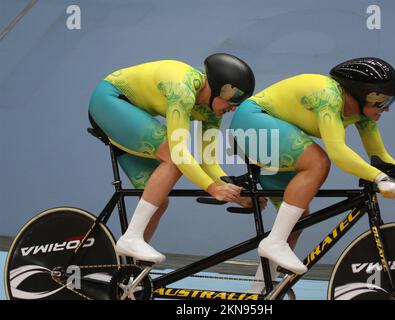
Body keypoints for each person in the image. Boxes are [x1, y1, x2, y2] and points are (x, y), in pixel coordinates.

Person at [229, 57, 395, 292]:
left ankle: (257, 293)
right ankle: (273, 243)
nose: (386, 108)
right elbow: (338, 151)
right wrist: (379, 179)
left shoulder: (363, 116)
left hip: (272, 130)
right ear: (361, 93)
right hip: (252, 120)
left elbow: (380, 156)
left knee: (297, 217)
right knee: (318, 162)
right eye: (382, 100)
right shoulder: (329, 96)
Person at [88, 53, 266, 263]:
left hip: (132, 115)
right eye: (233, 101)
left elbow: (208, 163)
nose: (234, 108)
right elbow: (179, 153)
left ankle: (129, 272)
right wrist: (213, 188)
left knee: (159, 200)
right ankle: (131, 237)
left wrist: (235, 193)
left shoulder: (210, 112)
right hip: (109, 100)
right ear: (217, 89)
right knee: (174, 158)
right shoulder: (182, 89)